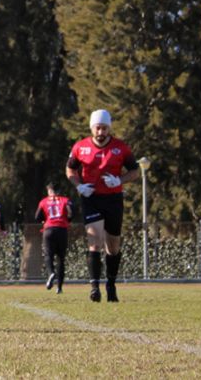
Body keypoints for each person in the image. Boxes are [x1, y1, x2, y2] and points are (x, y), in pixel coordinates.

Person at [66, 109, 139, 303]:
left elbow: (135, 171)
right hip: (91, 198)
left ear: (109, 128)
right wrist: (79, 185)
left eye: (104, 128)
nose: (101, 131)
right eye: (98, 127)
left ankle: (111, 284)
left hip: (113, 199)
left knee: (113, 246)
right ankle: (94, 287)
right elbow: (70, 168)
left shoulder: (121, 148)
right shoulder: (80, 147)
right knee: (94, 240)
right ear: (92, 128)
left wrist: (119, 180)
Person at [35, 182, 73, 294]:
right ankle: (59, 288)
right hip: (62, 230)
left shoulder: (43, 201)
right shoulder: (65, 200)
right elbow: (71, 213)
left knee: (48, 255)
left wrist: (44, 220)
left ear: (50, 191)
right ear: (59, 191)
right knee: (61, 259)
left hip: (49, 230)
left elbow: (37, 217)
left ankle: (51, 272)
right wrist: (67, 220)